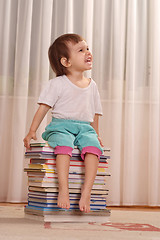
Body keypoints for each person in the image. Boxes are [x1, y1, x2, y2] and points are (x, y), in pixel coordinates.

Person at [23, 33, 104, 213]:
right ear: (66, 62)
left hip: (84, 128)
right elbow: (43, 108)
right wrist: (31, 131)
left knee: (93, 149)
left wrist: (96, 135)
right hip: (61, 126)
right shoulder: (57, 84)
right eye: (81, 50)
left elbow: (96, 113)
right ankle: (64, 189)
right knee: (64, 146)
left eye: (87, 48)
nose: (88, 53)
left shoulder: (93, 85)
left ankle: (86, 192)